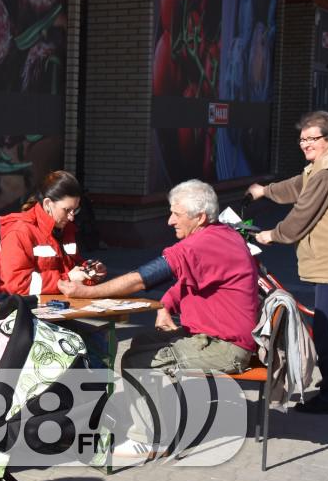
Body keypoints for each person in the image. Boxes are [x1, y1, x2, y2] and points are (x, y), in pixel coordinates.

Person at [59, 179, 259, 460]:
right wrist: (166, 304)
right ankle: (156, 421)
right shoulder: (220, 235)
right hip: (216, 337)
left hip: (225, 347)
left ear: (199, 217)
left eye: (176, 214)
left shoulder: (203, 243)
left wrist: (88, 292)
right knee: (141, 344)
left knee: (140, 361)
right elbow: (188, 280)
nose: (169, 221)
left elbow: (145, 277)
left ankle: (149, 440)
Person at [248, 110, 328, 414]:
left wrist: (273, 235)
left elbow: (303, 211)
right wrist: (264, 191)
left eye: (312, 139)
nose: (305, 144)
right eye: (302, 139)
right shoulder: (323, 165)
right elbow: (297, 186)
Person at [0, 170, 106, 296]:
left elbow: (73, 267)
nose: (71, 217)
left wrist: (89, 271)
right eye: (67, 210)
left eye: (75, 210)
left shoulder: (65, 227)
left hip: (54, 307)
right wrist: (67, 278)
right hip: (20, 310)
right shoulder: (19, 232)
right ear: (48, 204)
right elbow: (16, 285)